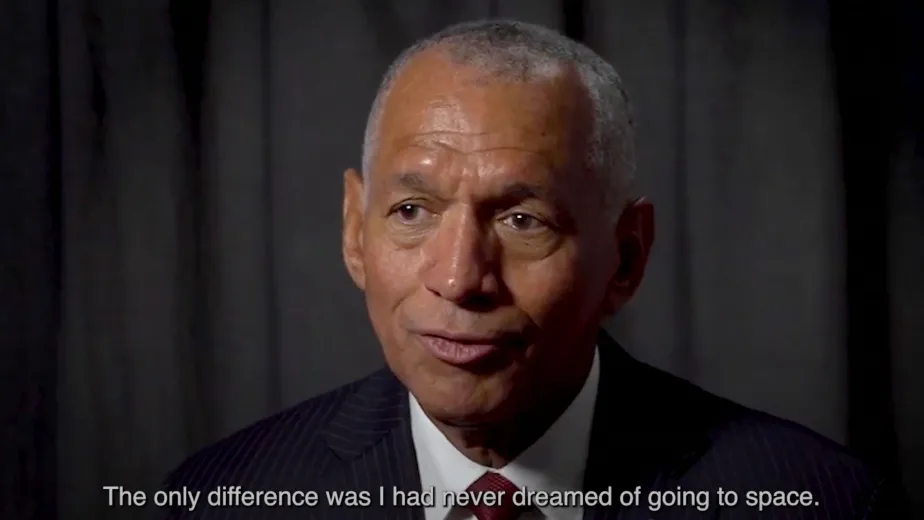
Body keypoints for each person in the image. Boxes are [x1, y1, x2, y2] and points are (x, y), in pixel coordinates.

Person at [163, 20, 896, 519]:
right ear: (356, 232)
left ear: (626, 257)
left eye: (523, 221)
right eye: (412, 211)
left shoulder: (820, 501)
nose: (459, 278)